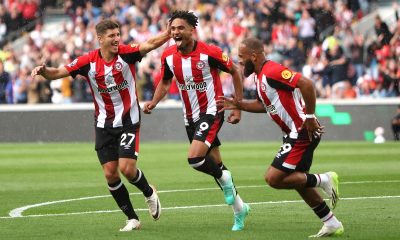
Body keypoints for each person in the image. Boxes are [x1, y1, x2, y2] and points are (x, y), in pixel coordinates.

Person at [31, 19, 171, 232]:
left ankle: (149, 192)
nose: (116, 39)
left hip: (128, 120)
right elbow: (59, 72)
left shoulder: (126, 54)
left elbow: (149, 44)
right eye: (111, 36)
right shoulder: (88, 62)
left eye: (118, 34)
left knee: (127, 168)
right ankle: (132, 218)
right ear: (100, 39)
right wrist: (43, 71)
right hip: (103, 123)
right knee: (111, 174)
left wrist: (168, 34)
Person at [217, 38, 344, 237]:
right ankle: (331, 222)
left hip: (302, 131)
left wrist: (309, 116)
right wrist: (239, 105)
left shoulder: (272, 71)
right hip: (293, 133)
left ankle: (324, 179)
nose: (239, 62)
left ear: (254, 56)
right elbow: (263, 105)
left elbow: (306, 83)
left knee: (273, 178)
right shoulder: (260, 78)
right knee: (297, 180)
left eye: (241, 58)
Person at [143, 10, 250, 231]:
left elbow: (236, 71)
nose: (175, 32)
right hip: (189, 117)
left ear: (192, 30)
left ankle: (225, 179)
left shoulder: (210, 52)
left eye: (180, 28)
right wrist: (153, 101)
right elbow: (165, 82)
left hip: (211, 111)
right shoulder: (168, 56)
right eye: (172, 28)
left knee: (195, 159)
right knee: (215, 164)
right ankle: (240, 209)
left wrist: (238, 106)